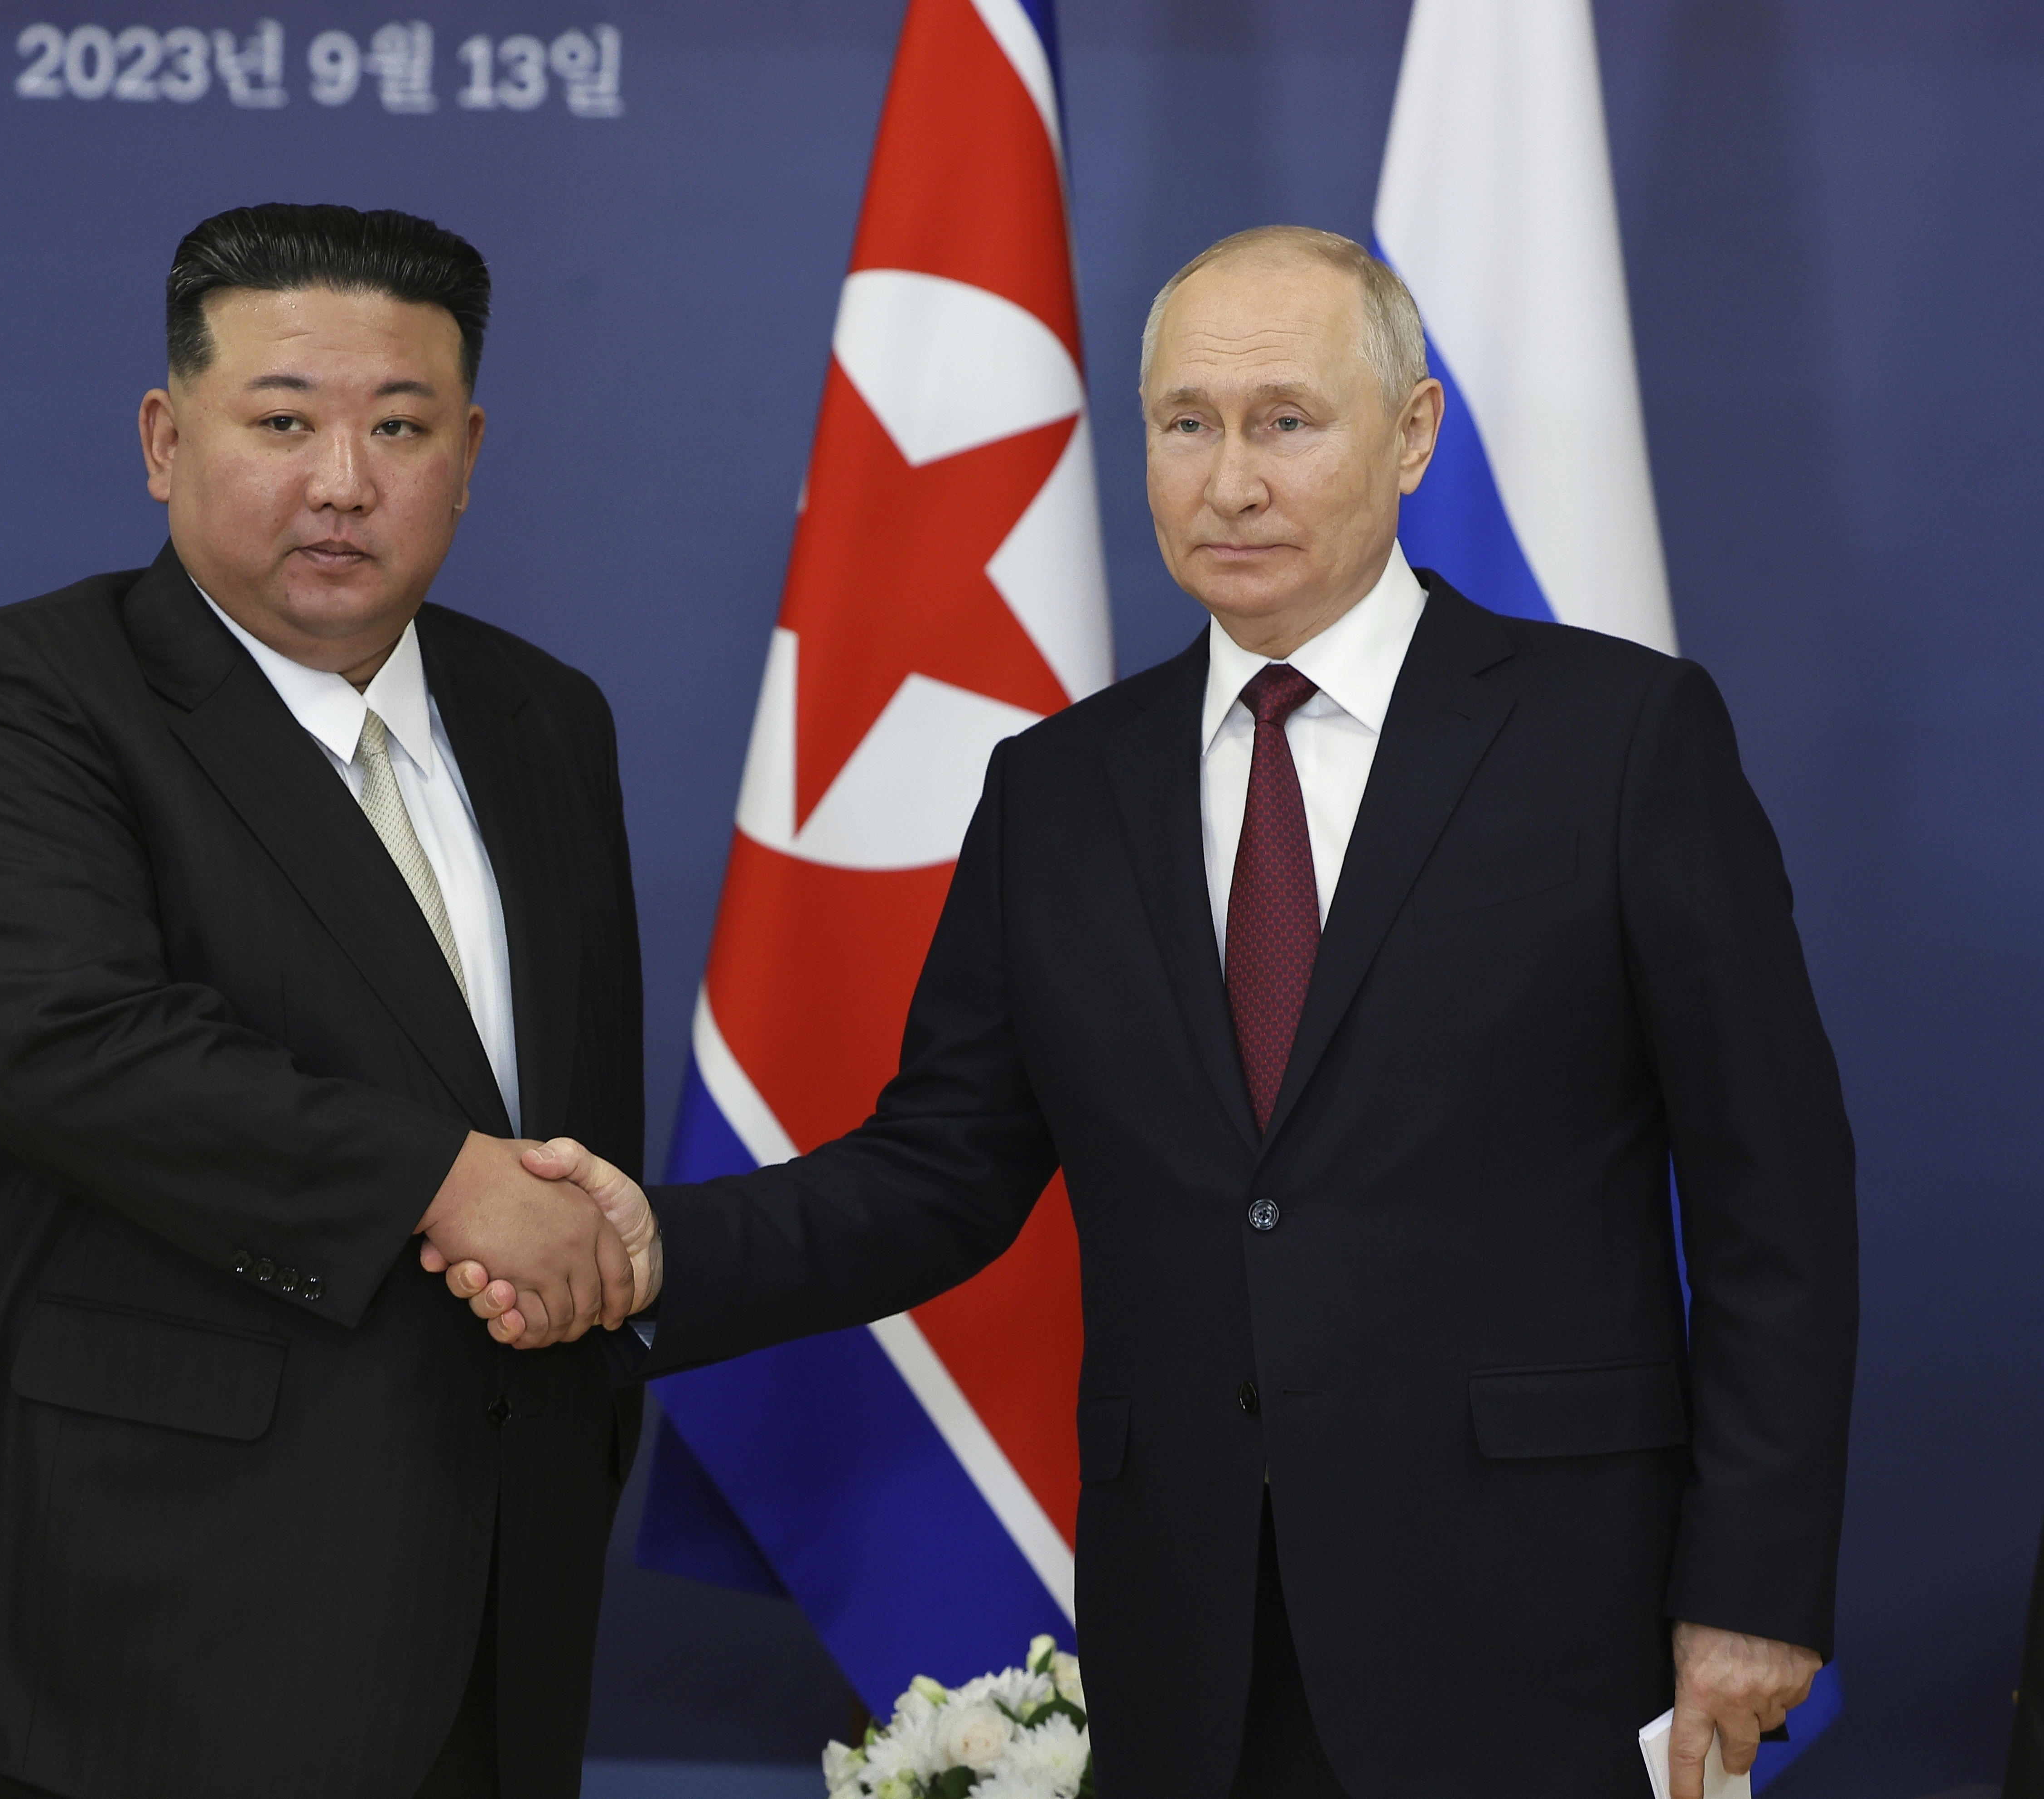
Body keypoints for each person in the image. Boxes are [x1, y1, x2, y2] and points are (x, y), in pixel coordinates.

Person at [438, 227, 1859, 1799]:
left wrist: (1754, 1583)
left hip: (1538, 1617)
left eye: (1285, 421)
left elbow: (1771, 1196)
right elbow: (940, 1169)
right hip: (1191, 1633)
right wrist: (657, 1247)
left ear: (1413, 434)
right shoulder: (1059, 787)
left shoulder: (1617, 737)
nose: (1228, 479)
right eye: (1187, 423)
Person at [0, 203, 646, 1799]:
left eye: (400, 426)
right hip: (143, 1621)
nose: (344, 479)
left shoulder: (545, 715)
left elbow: (564, 1124)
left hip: (499, 1605)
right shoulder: (19, 689)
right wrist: (451, 1182)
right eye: (283, 420)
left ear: (470, 451)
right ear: (164, 436)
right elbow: (78, 1051)